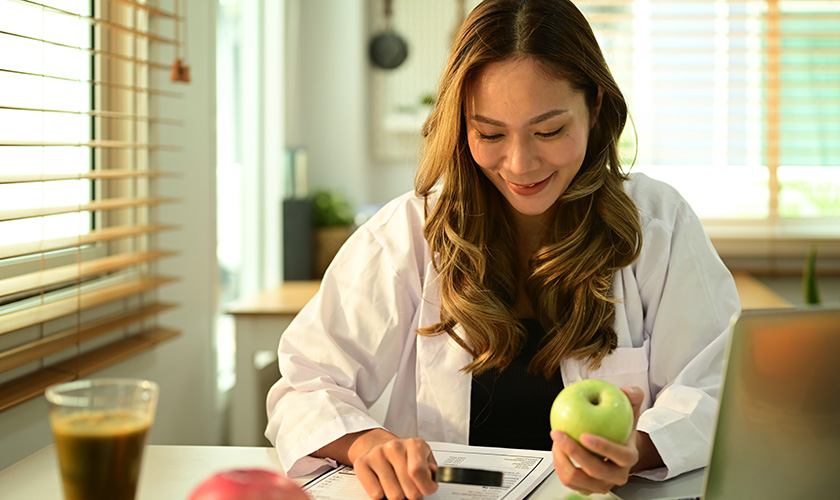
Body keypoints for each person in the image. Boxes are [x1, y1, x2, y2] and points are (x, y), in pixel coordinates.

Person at [266, 0, 741, 498]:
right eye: (489, 133)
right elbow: (305, 385)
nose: (520, 164)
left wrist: (632, 450)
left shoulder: (657, 224)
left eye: (550, 131)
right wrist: (367, 444)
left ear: (596, 105)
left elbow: (716, 388)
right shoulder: (410, 231)